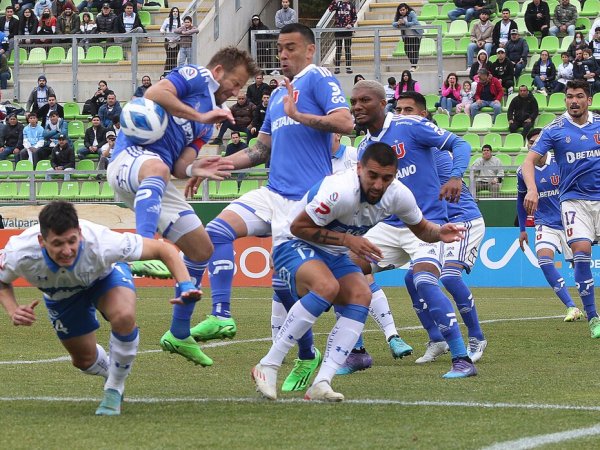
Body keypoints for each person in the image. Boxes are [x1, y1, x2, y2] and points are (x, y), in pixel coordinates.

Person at [187, 25, 353, 392]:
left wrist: (301, 116)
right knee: (216, 231)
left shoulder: (318, 78)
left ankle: (307, 354)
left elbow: (345, 122)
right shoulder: (278, 94)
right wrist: (219, 164)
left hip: (305, 201)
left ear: (310, 50)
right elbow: (261, 150)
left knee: (283, 286)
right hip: (273, 192)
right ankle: (221, 314)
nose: (283, 54)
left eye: (291, 47)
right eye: (279, 48)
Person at [251, 143, 467, 402]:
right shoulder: (340, 191)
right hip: (293, 242)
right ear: (359, 169)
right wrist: (347, 240)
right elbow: (299, 228)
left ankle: (322, 382)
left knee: (362, 295)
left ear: (394, 176)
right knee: (327, 286)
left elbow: (421, 229)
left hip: (334, 251)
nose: (378, 184)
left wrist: (439, 233)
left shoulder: (399, 194)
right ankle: (268, 365)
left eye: (386, 178)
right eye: (372, 175)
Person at [107, 46, 258, 366]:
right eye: (236, 83)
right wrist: (199, 115)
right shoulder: (197, 77)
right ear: (218, 72)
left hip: (158, 175)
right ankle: (142, 247)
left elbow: (178, 167)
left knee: (202, 249)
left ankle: (178, 333)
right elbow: (155, 93)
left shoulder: (212, 121)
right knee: (157, 168)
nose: (237, 92)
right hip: (130, 159)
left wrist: (195, 168)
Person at [0, 201, 202, 416]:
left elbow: (164, 249)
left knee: (123, 316)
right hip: (61, 297)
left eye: (72, 241)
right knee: (84, 361)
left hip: (104, 279)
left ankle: (114, 387)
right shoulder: (20, 252)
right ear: (42, 241)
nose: (67, 250)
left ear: (80, 233)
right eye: (58, 244)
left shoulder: (102, 241)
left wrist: (185, 285)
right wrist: (13, 309)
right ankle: (111, 371)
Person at [346, 84, 476, 378]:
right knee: (344, 269)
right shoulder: (364, 147)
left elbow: (461, 145)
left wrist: (456, 176)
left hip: (427, 225)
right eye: (353, 101)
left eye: (365, 100)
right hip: (389, 227)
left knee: (424, 281)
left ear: (383, 103)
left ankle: (462, 359)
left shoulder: (411, 125)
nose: (357, 106)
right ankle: (357, 353)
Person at [393, 94, 487, 364]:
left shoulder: (435, 152)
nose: (402, 114)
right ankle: (436, 339)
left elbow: (431, 189)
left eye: (408, 110)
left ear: (423, 115)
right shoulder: (402, 149)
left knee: (449, 277)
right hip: (435, 227)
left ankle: (476, 337)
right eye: (398, 110)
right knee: (412, 279)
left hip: (461, 220)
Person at [522, 80, 600, 338]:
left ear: (589, 100)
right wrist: (532, 189)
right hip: (574, 201)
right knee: (581, 252)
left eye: (579, 96)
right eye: (569, 97)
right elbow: (529, 161)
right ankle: (593, 317)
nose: (574, 101)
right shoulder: (554, 129)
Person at [517, 128, 582, 322]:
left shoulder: (560, 162)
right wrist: (522, 229)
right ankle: (571, 306)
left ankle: (590, 308)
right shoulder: (523, 171)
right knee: (544, 261)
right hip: (545, 223)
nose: (534, 145)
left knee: (580, 265)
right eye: (531, 142)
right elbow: (520, 200)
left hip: (570, 220)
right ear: (527, 146)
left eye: (538, 141)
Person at [329, 0, 357, 75]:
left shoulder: (351, 4)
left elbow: (354, 17)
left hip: (348, 30)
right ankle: (337, 67)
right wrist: (335, 1)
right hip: (338, 30)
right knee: (338, 48)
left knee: (348, 48)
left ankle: (348, 67)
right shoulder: (338, 3)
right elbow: (330, 9)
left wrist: (351, 24)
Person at [393, 3, 423, 72]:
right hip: (407, 36)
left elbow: (414, 22)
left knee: (415, 51)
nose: (402, 11)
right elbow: (393, 24)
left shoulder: (411, 13)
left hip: (416, 35)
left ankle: (413, 66)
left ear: (406, 9)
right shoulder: (399, 16)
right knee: (407, 50)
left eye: (403, 10)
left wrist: (404, 23)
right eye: (400, 10)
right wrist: (398, 23)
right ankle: (414, 64)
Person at [160, 7, 181, 74]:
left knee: (174, 58)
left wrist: (175, 40)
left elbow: (181, 32)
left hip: (177, 42)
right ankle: (166, 73)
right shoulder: (167, 20)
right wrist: (162, 31)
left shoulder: (181, 21)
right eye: (174, 11)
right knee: (169, 57)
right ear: (171, 12)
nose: (175, 13)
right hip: (168, 41)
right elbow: (162, 28)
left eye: (176, 11)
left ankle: (174, 73)